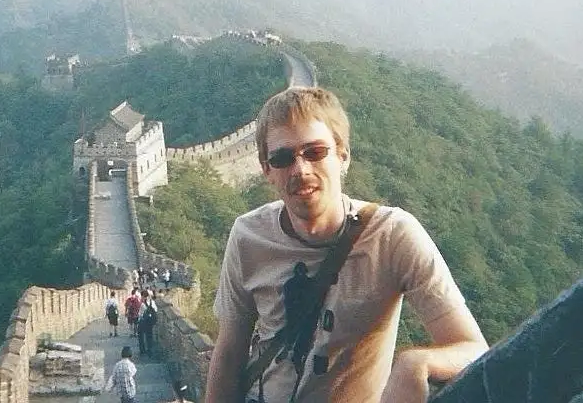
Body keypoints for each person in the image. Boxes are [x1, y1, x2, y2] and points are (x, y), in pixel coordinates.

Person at [205, 86, 489, 403]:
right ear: (267, 170)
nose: (300, 169)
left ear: (343, 155)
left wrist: (415, 363)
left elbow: (473, 348)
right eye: (283, 158)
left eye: (315, 152)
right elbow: (229, 355)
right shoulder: (248, 236)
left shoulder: (393, 235)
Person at [137, 288, 158, 357]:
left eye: (142, 296)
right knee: (149, 336)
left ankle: (142, 350)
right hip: (150, 322)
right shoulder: (152, 303)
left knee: (141, 336)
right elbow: (156, 310)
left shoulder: (143, 305)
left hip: (143, 322)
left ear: (143, 296)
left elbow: (140, 314)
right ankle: (150, 349)